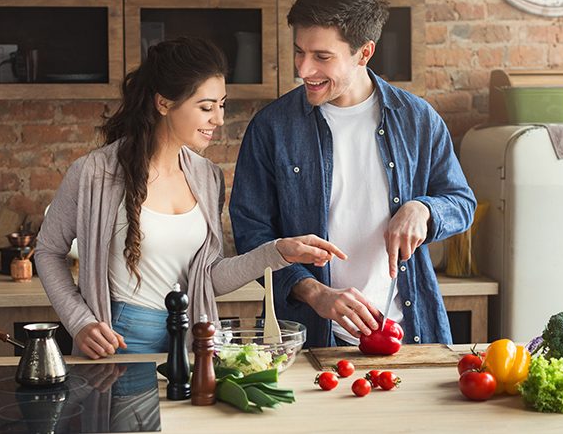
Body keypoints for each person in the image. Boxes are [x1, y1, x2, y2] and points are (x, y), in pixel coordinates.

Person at [35, 37, 345, 359]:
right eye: (206, 107)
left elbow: (208, 278)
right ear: (164, 104)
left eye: (221, 105)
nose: (219, 119)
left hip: (191, 339)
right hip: (120, 340)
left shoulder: (207, 177)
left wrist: (278, 251)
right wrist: (80, 321)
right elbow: (48, 251)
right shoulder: (94, 173)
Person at [229, 0, 476, 348]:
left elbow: (461, 202)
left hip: (407, 334)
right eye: (299, 51)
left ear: (364, 52)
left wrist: (423, 209)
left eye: (322, 57)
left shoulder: (418, 120)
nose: (303, 69)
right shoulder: (272, 128)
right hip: (308, 340)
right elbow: (252, 234)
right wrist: (313, 292)